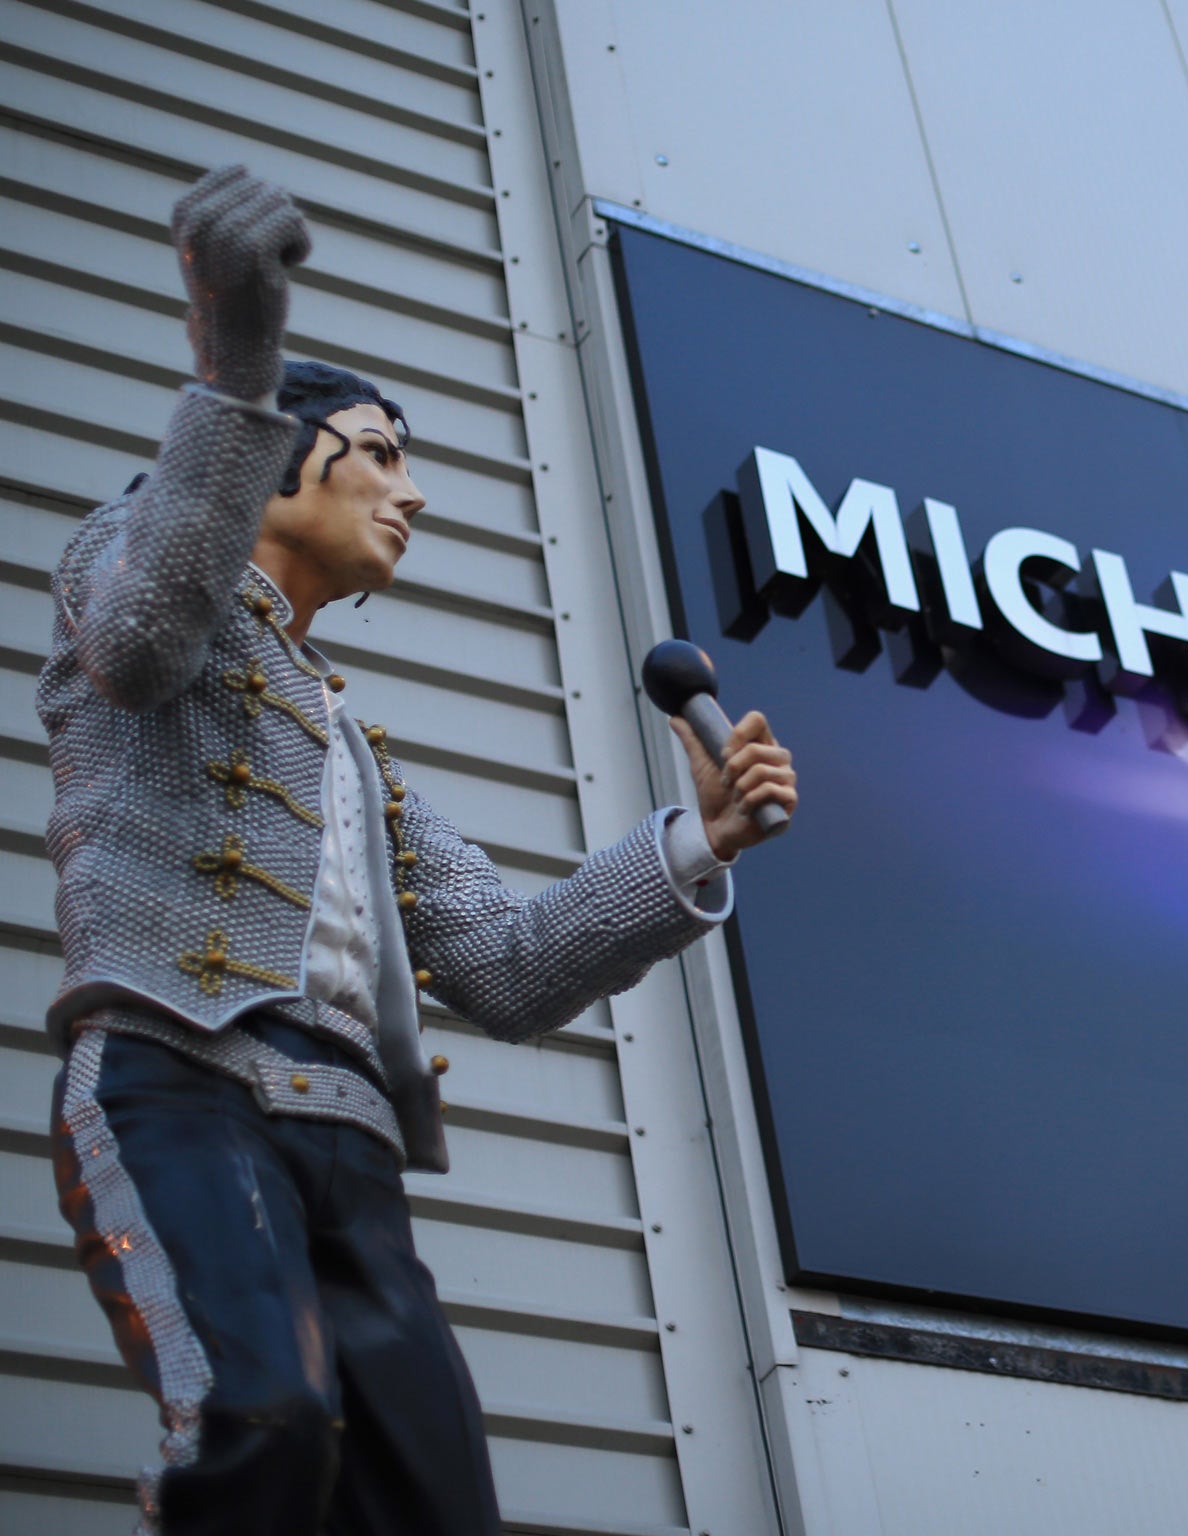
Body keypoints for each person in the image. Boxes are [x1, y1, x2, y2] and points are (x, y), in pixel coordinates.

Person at [37, 165, 796, 1536]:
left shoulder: (355, 756)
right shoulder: (120, 555)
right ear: (275, 462)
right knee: (259, 1423)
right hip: (183, 1085)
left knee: (435, 1507)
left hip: (354, 1146)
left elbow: (506, 969)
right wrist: (240, 371)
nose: (415, 492)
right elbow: (151, 639)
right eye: (380, 451)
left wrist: (697, 842)